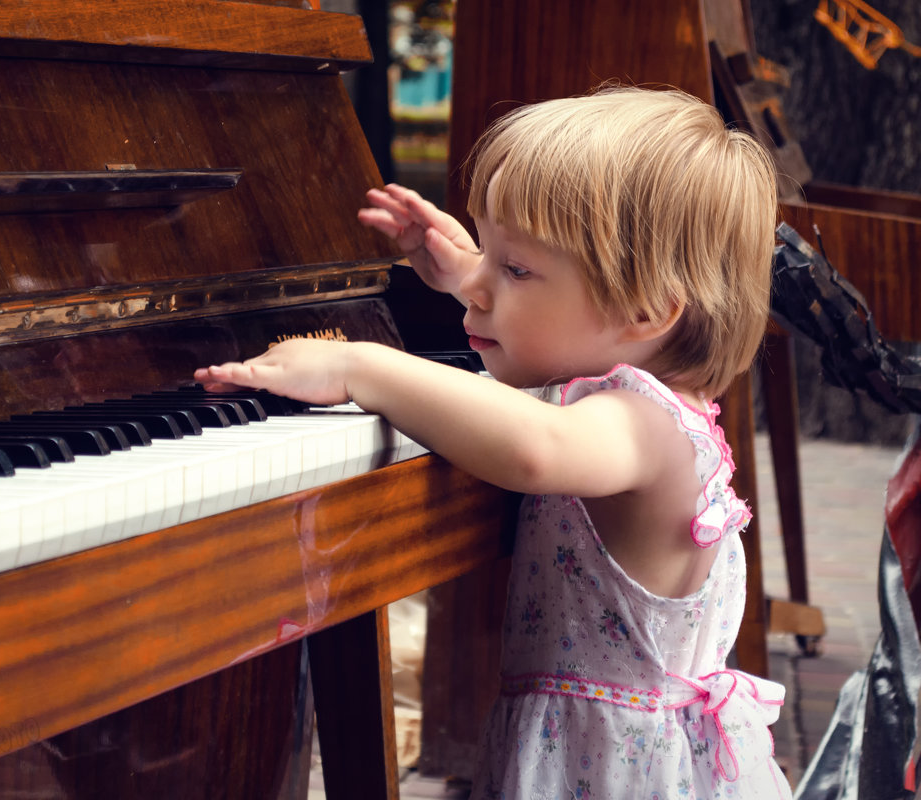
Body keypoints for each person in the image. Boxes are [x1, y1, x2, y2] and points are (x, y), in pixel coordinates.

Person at [195, 86, 791, 799]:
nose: (482, 286)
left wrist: (360, 365)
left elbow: (533, 445)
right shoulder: (649, 396)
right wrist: (470, 274)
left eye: (516, 269)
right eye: (490, 252)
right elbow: (539, 378)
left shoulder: (640, 425)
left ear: (645, 309)